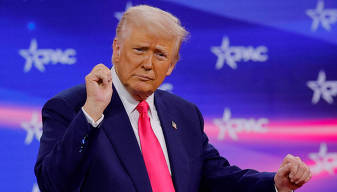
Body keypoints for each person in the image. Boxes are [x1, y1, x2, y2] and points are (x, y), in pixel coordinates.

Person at [35, 5, 311, 192]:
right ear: (116, 50)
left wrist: (273, 183)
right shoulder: (72, 108)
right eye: (140, 50)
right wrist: (91, 113)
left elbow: (214, 177)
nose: (148, 63)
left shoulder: (184, 114)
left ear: (172, 65)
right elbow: (54, 184)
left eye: (160, 55)